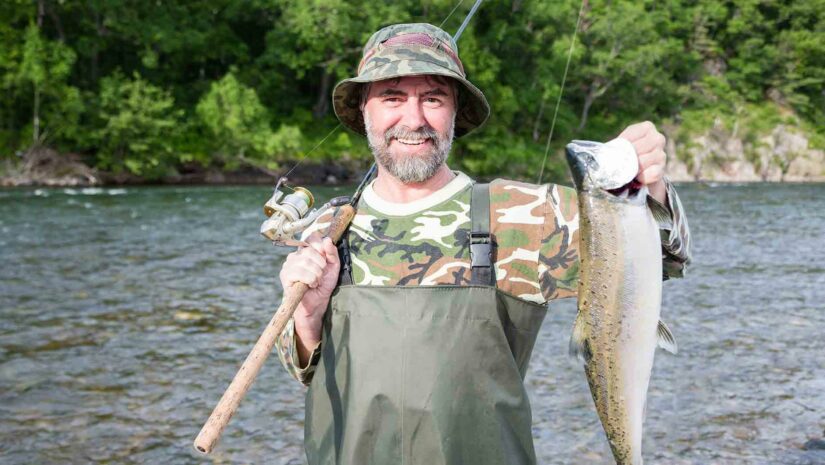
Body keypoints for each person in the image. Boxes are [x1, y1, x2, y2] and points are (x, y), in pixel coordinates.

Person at [275, 23, 691, 465]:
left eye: (432, 98)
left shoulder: (524, 213)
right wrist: (306, 317)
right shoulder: (327, 230)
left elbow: (664, 259)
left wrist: (652, 185)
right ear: (364, 111)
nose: (413, 120)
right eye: (392, 97)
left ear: (456, 111)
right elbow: (303, 369)